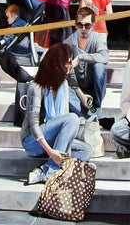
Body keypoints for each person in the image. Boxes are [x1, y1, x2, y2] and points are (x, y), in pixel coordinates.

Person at [20, 41, 92, 184]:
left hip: (54, 139)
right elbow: (33, 126)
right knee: (72, 118)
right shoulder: (36, 87)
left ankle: (44, 170)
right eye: (68, 61)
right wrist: (51, 153)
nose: (70, 65)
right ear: (58, 64)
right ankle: (53, 170)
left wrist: (67, 147)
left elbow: (64, 123)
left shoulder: (63, 86)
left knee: (86, 151)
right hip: (33, 141)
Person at [65, 3, 110, 117]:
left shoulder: (97, 38)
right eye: (80, 25)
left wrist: (81, 57)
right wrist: (80, 95)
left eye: (87, 25)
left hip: (94, 87)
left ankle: (96, 106)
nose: (83, 29)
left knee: (99, 67)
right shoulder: (68, 43)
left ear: (93, 26)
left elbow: (104, 57)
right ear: (75, 25)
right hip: (76, 89)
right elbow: (68, 72)